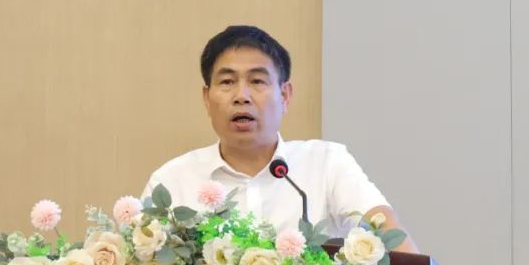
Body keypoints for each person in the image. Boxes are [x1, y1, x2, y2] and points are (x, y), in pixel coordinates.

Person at [141, 25, 418, 252]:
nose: (241, 96)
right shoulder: (172, 182)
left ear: (284, 95)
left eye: (257, 81)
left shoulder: (327, 164)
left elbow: (389, 235)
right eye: (227, 82)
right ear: (206, 97)